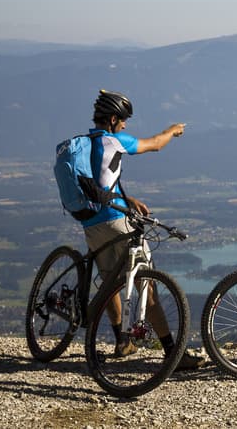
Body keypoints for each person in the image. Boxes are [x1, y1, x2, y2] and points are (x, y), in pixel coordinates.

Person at [81, 89, 203, 370]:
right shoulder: (113, 139)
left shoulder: (86, 143)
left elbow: (100, 182)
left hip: (92, 221)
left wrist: (128, 199)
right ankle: (173, 354)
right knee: (146, 284)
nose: (125, 125)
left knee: (110, 281)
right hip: (115, 221)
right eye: (123, 120)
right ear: (113, 119)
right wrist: (172, 130)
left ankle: (122, 342)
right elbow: (155, 144)